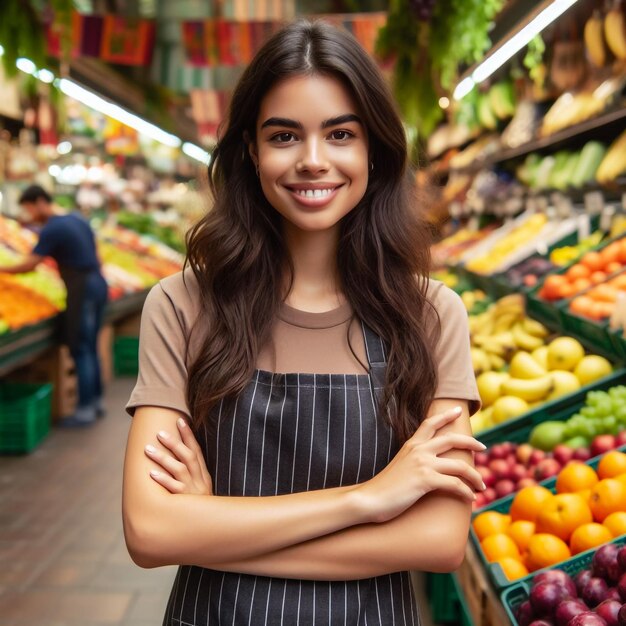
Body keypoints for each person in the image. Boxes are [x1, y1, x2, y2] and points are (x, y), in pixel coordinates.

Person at [122, 19, 484, 625]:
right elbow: (151, 531)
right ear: (250, 151)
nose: (313, 161)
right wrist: (370, 500)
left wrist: (214, 527)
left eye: (340, 134)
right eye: (284, 135)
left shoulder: (431, 316)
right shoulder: (182, 305)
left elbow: (438, 541)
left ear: (374, 149)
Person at [0, 185, 108, 426]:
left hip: (82, 288)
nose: (28, 214)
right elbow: (97, 255)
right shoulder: (76, 219)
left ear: (39, 202)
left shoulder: (52, 229)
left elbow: (30, 265)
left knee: (80, 348)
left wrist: (2, 270)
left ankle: (85, 410)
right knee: (90, 346)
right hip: (98, 283)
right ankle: (96, 402)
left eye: (28, 208)